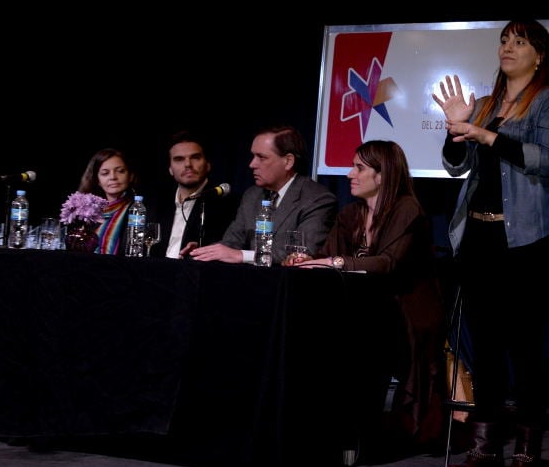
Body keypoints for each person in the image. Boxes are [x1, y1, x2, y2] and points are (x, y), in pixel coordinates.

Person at [431, 18, 549, 467]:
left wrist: (486, 135)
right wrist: (456, 130)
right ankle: (486, 449)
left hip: (526, 243)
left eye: (520, 41)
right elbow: (456, 168)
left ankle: (527, 453)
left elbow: (547, 159)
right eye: (504, 40)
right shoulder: (487, 105)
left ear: (539, 55)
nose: (508, 47)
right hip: (478, 238)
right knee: (486, 348)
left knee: (525, 350)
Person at [288, 139, 448, 450]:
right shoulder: (351, 214)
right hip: (367, 307)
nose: (350, 174)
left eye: (359, 168)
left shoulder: (407, 209)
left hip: (407, 310)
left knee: (362, 334)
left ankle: (364, 429)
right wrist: (307, 261)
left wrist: (335, 262)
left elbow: (387, 263)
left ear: (382, 174)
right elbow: (327, 255)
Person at [189, 124, 336, 265]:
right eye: (253, 156)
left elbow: (302, 253)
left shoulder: (317, 199)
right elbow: (232, 242)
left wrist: (242, 256)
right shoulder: (252, 195)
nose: (252, 164)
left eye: (261, 157)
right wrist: (202, 252)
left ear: (288, 161)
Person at [154, 129, 237, 258]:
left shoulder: (227, 205)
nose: (188, 164)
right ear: (170, 169)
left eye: (195, 158)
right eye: (179, 159)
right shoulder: (157, 203)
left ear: (208, 165)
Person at [77, 147, 139, 255]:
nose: (113, 177)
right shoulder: (87, 214)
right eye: (105, 173)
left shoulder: (139, 210)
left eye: (120, 171)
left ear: (130, 176)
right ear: (97, 180)